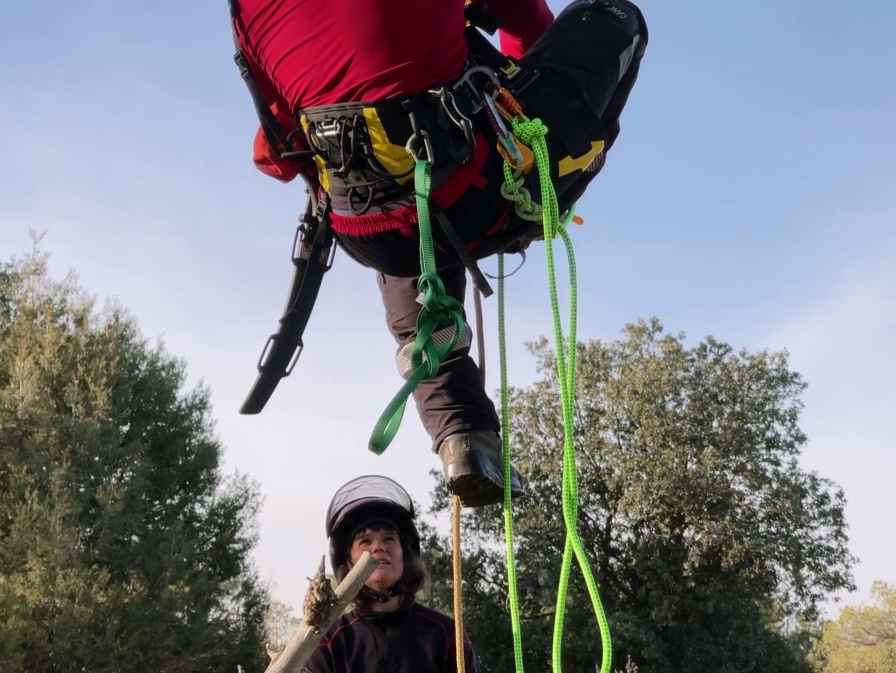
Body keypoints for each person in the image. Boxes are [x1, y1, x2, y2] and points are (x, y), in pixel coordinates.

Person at [227, 0, 648, 507]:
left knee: (405, 191)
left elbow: (273, 154)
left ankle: (462, 433)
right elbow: (534, 30)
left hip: (366, 230)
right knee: (613, 14)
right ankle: (554, 178)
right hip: (481, 197)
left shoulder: (245, 11)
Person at [299, 474, 490, 673]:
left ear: (404, 553)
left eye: (389, 538)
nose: (379, 547)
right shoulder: (328, 642)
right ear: (348, 561)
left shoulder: (445, 635)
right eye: (365, 541)